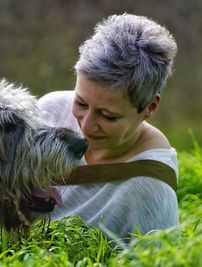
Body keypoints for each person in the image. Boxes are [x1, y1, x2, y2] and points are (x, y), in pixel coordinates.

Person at [38, 13, 178, 242]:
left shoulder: (150, 184)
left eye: (108, 116)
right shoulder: (49, 112)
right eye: (80, 103)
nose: (86, 125)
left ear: (150, 107)